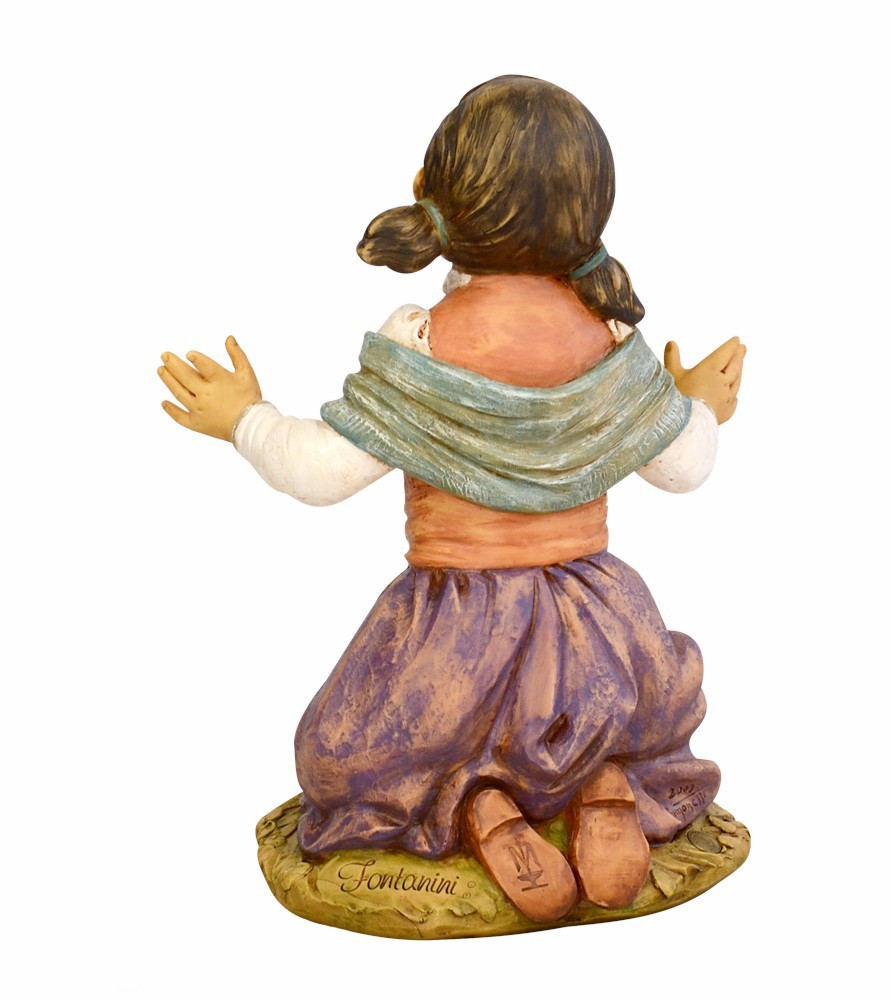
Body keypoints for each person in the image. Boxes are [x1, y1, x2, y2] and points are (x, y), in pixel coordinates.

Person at [158, 75, 745, 924]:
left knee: (348, 755)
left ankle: (480, 803)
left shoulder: (426, 341)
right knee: (605, 714)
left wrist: (243, 418)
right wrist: (697, 407)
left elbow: (320, 473)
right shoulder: (609, 333)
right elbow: (685, 467)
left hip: (456, 635)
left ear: (433, 196)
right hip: (598, 630)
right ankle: (600, 782)